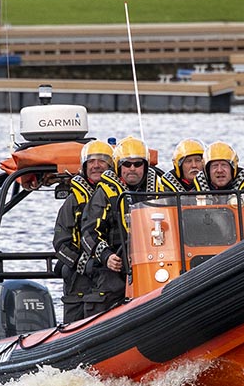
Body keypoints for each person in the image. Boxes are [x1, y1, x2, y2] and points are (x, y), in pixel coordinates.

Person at [78, 135, 175, 316]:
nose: (132, 169)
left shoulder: (161, 189)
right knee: (107, 293)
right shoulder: (106, 192)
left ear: (145, 167)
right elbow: (89, 233)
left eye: (138, 164)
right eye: (127, 164)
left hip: (157, 258)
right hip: (118, 262)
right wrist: (107, 256)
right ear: (118, 166)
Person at [52, 140, 114, 323]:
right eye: (91, 162)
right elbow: (60, 243)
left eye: (102, 161)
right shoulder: (73, 202)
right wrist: (83, 264)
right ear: (84, 167)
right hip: (80, 279)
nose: (96, 166)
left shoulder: (118, 195)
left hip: (112, 271)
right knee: (76, 321)